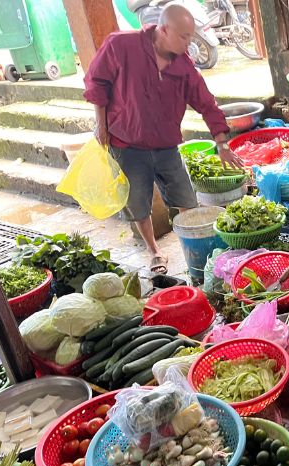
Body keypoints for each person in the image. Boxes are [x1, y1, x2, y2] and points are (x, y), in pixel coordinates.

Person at [84, 3, 245, 273]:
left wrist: (222, 143)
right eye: (183, 36)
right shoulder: (122, 46)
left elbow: (206, 103)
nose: (188, 43)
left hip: (166, 145)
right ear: (164, 28)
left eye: (191, 36)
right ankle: (155, 252)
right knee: (138, 203)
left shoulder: (184, 67)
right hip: (127, 143)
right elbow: (96, 82)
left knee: (187, 200)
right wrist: (101, 124)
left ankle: (199, 251)